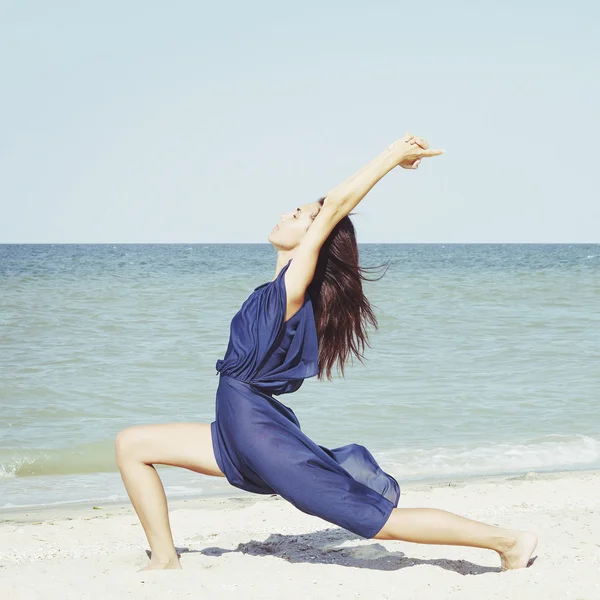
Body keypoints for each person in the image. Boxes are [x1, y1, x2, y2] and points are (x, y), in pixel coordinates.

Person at [115, 133, 538, 572]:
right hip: (239, 426)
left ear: (314, 236)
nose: (285, 214)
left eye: (298, 214)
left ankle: (508, 542)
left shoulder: (292, 290)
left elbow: (335, 205)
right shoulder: (277, 290)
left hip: (260, 436)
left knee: (379, 523)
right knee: (132, 444)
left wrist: (393, 156)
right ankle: (165, 558)